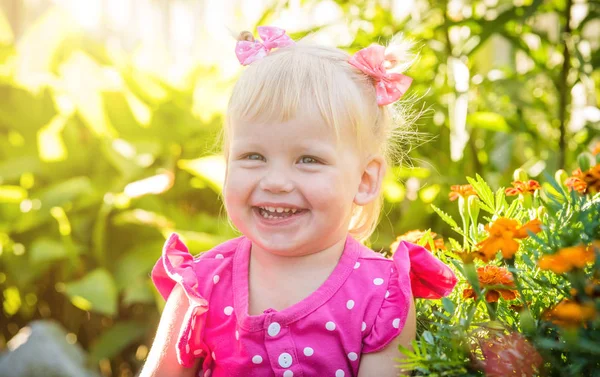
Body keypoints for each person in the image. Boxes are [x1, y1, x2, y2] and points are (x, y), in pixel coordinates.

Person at [139, 26, 457, 377]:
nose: (275, 182)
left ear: (364, 181)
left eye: (308, 160)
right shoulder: (202, 286)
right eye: (253, 156)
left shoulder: (379, 295)